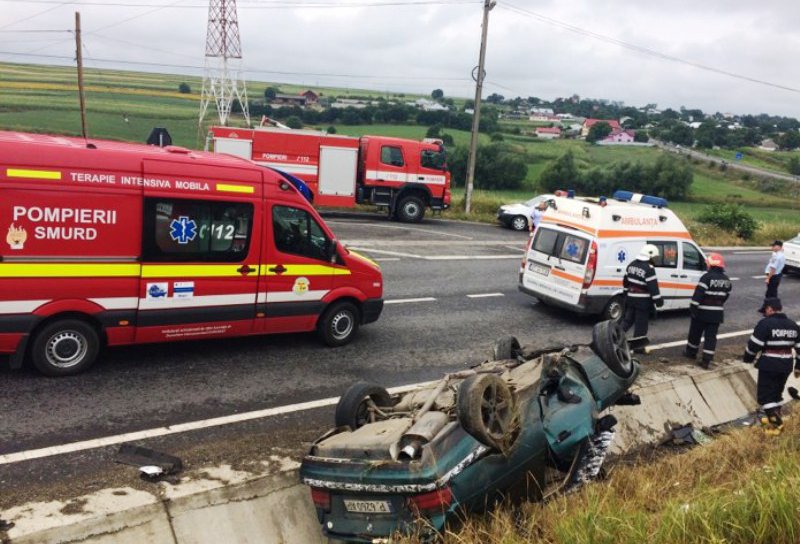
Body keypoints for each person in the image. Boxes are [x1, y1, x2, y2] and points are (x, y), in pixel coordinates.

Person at [743, 297, 800, 435]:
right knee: (776, 394)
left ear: (770, 309)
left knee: (765, 398)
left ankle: (777, 427)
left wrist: (748, 359)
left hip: (769, 364)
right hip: (786, 365)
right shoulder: (793, 325)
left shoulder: (765, 324)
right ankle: (774, 419)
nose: (765, 314)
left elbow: (753, 346)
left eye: (765, 311)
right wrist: (798, 366)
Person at [684, 252, 732, 368]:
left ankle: (691, 353)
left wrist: (693, 308)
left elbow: (698, 294)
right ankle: (706, 360)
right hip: (717, 314)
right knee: (711, 337)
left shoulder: (706, 277)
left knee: (695, 333)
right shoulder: (726, 280)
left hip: (702, 312)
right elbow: (726, 295)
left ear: (711, 265)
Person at [621, 244, 664, 351]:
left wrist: (626, 294)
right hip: (643, 301)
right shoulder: (649, 269)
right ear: (650, 256)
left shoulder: (631, 265)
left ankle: (614, 337)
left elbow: (625, 282)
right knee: (641, 325)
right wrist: (658, 301)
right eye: (654, 257)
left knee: (627, 321)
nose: (655, 260)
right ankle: (638, 348)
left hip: (631, 299)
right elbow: (653, 287)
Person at [759, 240, 785, 313]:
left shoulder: (778, 257)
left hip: (773, 276)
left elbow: (773, 269)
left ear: (779, 246)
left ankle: (771, 310)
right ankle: (765, 308)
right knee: (771, 294)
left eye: (774, 246)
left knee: (770, 294)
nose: (772, 247)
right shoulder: (779, 254)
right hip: (777, 276)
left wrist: (768, 278)